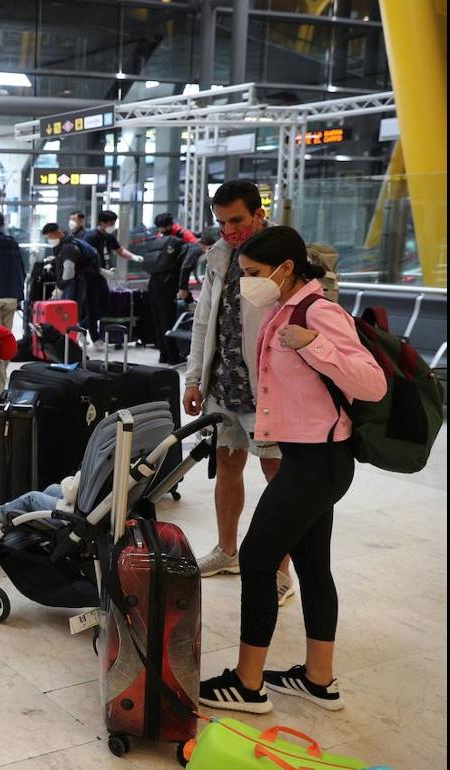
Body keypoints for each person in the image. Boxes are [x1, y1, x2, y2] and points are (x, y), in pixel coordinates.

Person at [198, 226, 385, 715]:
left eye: (254, 274)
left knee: (259, 560)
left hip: (317, 463)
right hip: (308, 458)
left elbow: (372, 383)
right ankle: (318, 680)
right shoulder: (283, 307)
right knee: (312, 564)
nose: (247, 284)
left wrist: (311, 345)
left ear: (285, 268)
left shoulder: (319, 312)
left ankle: (247, 682)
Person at [183, 180, 295, 604]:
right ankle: (228, 550)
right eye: (221, 221)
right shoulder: (219, 257)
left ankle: (281, 570)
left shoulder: (284, 257)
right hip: (223, 383)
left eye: (237, 220)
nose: (229, 229)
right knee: (227, 463)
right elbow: (202, 321)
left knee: (278, 476)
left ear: (259, 213)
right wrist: (195, 378)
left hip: (268, 387)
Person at [81, 210, 143, 348]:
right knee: (92, 307)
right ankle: (95, 339)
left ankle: (82, 327)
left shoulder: (109, 237)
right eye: (110, 223)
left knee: (104, 305)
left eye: (114, 223)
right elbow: (84, 258)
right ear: (102, 223)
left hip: (102, 277)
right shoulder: (90, 237)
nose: (113, 226)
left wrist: (133, 256)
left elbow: (119, 250)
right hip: (90, 277)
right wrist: (99, 270)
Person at [147, 213, 200, 364]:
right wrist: (183, 287)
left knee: (159, 319)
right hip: (169, 283)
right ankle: (172, 356)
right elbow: (191, 256)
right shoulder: (184, 235)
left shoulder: (160, 237)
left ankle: (164, 354)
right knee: (168, 319)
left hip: (154, 282)